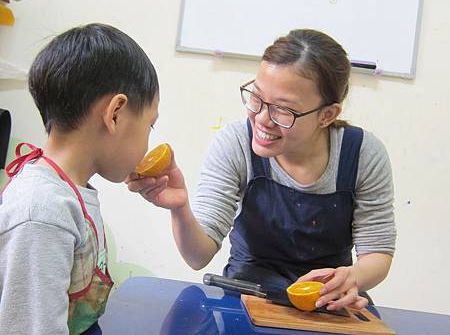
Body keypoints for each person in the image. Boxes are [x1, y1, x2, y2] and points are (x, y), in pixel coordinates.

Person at [128, 29, 396, 311]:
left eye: (283, 110)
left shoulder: (363, 154)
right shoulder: (235, 143)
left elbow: (377, 253)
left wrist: (351, 277)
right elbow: (198, 257)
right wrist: (180, 208)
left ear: (327, 115)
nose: (262, 119)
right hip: (247, 297)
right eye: (256, 98)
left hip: (325, 302)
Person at [0, 23, 159, 335]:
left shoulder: (70, 190)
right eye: (149, 125)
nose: (149, 143)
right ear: (116, 113)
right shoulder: (44, 209)